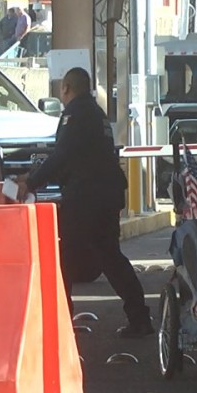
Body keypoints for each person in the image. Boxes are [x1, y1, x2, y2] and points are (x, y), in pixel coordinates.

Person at [18, 67, 154, 338]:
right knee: (110, 256)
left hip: (86, 198)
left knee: (63, 258)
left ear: (66, 88)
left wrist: (30, 183)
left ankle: (61, 324)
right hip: (106, 194)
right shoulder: (96, 113)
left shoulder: (75, 113)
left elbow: (63, 156)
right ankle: (139, 317)